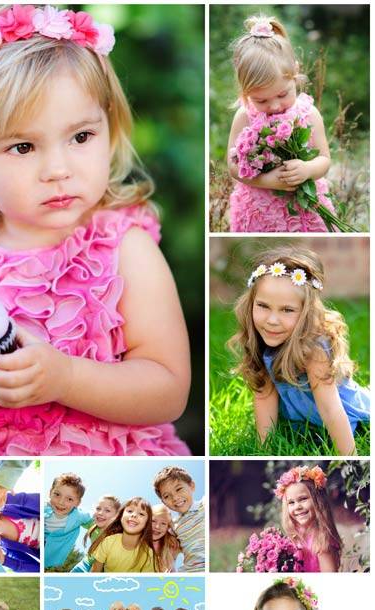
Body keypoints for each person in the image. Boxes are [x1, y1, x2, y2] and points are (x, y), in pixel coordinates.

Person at [0, 5, 191, 457]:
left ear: (108, 131)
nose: (57, 169)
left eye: (80, 137)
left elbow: (168, 390)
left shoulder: (124, 248)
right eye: (23, 146)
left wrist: (66, 378)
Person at [228, 250, 368, 455]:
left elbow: (330, 410)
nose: (272, 320)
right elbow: (264, 396)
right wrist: (263, 450)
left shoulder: (314, 349)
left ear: (306, 313)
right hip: (302, 419)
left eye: (287, 310)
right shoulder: (260, 339)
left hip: (339, 412)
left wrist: (350, 459)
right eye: (263, 306)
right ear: (251, 304)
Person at [226, 16, 337, 234]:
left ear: (295, 72)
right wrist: (267, 180)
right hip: (260, 209)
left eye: (282, 94)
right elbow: (233, 166)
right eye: (261, 100)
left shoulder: (309, 114)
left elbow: (324, 160)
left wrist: (306, 169)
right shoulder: (244, 117)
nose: (275, 106)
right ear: (245, 92)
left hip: (305, 206)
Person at [153, 467, 205, 572]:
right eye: (167, 496)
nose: (175, 498)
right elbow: (169, 557)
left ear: (192, 486)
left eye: (179, 489)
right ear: (164, 502)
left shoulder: (204, 505)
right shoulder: (174, 527)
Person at [90, 498, 156, 573]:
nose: (134, 515)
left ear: (147, 523)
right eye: (130, 511)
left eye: (141, 514)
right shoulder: (108, 542)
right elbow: (94, 573)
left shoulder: (148, 554)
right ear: (121, 516)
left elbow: (146, 583)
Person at [44, 474, 92, 570]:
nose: (61, 502)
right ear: (50, 493)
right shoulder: (43, 507)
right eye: (57, 494)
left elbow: (95, 519)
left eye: (69, 499)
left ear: (77, 503)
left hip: (51, 555)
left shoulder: (78, 516)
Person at [71, 496, 121, 573]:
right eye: (98, 509)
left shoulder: (119, 534)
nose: (100, 513)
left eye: (107, 510)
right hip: (86, 563)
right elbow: (79, 514)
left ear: (116, 516)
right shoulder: (93, 525)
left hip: (105, 569)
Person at [151, 506, 182, 573]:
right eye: (153, 521)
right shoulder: (137, 541)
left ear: (168, 527)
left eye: (163, 523)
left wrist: (173, 527)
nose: (157, 527)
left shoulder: (172, 544)